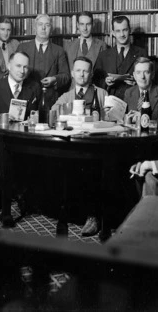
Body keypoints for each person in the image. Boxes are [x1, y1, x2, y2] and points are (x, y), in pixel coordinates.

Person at [0, 51, 41, 213]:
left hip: (24, 138)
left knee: (34, 161)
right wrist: (2, 118)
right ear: (9, 66)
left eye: (26, 67)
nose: (22, 70)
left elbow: (37, 115)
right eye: (18, 66)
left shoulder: (33, 88)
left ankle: (23, 197)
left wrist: (31, 120)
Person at [52, 56, 108, 236]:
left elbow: (112, 119)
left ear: (91, 74)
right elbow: (53, 114)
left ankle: (93, 216)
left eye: (85, 71)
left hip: (95, 148)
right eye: (78, 70)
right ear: (72, 73)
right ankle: (66, 214)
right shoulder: (67, 95)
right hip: (71, 147)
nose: (82, 74)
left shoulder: (102, 94)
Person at [18, 14, 70, 107]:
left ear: (51, 29)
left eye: (47, 25)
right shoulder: (22, 47)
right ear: (35, 27)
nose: (43, 28)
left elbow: (66, 76)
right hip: (25, 98)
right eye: (40, 24)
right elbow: (15, 72)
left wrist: (54, 79)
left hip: (50, 100)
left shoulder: (59, 50)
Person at [94, 15, 147, 100]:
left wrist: (137, 81)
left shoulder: (141, 53)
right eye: (118, 31)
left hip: (133, 100)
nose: (122, 34)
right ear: (113, 33)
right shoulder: (103, 55)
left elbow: (149, 78)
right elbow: (95, 80)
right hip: (109, 101)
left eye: (124, 30)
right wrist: (105, 81)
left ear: (129, 30)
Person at [124, 57, 158, 131]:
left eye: (146, 72)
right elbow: (124, 120)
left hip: (153, 139)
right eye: (138, 72)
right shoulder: (129, 92)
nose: (142, 77)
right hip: (132, 138)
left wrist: (141, 118)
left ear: (153, 74)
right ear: (134, 75)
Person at [63, 11, 107, 87]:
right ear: (77, 25)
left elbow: (103, 74)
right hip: (74, 92)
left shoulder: (101, 45)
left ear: (92, 25)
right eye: (82, 24)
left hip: (94, 91)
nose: (85, 28)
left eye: (88, 24)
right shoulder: (69, 46)